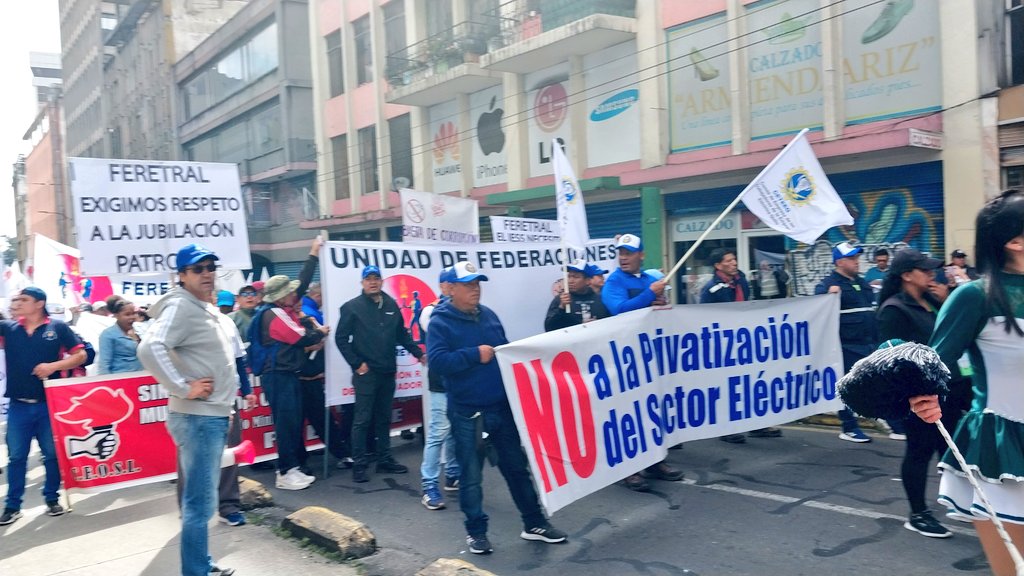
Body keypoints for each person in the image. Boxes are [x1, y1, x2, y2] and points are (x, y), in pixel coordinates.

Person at [910, 190, 1024, 576]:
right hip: (1003, 450)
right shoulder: (974, 297)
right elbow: (930, 366)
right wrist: (922, 397)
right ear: (1015, 241)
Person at [427, 261, 567, 554]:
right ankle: (476, 532)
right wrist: (473, 355)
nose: (475, 289)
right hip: (468, 413)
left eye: (477, 284)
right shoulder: (440, 322)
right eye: (468, 285)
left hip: (500, 408)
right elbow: (438, 363)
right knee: (471, 477)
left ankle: (534, 523)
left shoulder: (488, 315)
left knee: (517, 468)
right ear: (450, 289)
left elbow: (503, 349)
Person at [136, 244, 246, 576]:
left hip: (210, 415)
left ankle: (200, 564)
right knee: (200, 505)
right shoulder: (182, 307)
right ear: (181, 276)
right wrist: (184, 387)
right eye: (198, 269)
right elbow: (150, 347)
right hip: (199, 416)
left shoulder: (202, 307)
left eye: (211, 267)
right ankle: (196, 571)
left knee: (201, 501)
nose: (207, 273)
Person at [876, 248, 968, 539]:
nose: (931, 273)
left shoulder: (930, 300)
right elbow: (892, 359)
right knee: (919, 451)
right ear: (906, 275)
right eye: (924, 269)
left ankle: (958, 502)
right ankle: (918, 513)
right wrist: (917, 396)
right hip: (920, 396)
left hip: (949, 389)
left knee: (951, 448)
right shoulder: (894, 310)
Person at [601, 233, 685, 492]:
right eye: (620, 253)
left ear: (641, 255)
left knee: (652, 410)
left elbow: (660, 309)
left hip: (649, 356)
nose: (623, 257)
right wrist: (650, 295)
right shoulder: (614, 282)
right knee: (627, 412)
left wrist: (660, 301)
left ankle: (655, 461)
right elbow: (621, 311)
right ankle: (629, 469)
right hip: (624, 358)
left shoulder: (651, 279)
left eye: (628, 252)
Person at [0, 287, 87, 526]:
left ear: (39, 303)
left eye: (23, 299)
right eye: (16, 299)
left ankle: (51, 498)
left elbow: (80, 355)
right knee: (16, 457)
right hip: (18, 406)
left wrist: (53, 366)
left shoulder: (57, 328)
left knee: (51, 455)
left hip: (50, 406)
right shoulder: (8, 328)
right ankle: (12, 505)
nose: (17, 302)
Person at [335, 265, 425, 483]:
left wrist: (418, 353)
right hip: (366, 374)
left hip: (387, 371)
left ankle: (385, 459)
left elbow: (401, 335)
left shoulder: (391, 304)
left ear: (382, 281)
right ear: (362, 283)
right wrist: (357, 364)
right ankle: (360, 464)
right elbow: (340, 338)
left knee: (384, 418)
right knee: (362, 419)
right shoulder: (351, 307)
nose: (373, 282)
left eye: (376, 278)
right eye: (368, 279)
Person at [700, 248, 783, 442]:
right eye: (728, 261)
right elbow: (704, 316)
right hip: (723, 344)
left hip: (743, 341)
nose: (734, 263)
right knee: (727, 387)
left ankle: (756, 425)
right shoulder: (711, 289)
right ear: (718, 266)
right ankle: (725, 428)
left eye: (734, 259)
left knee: (751, 383)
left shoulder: (742, 281)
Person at [256, 274, 330, 490]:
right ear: (280, 296)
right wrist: (319, 332)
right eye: (289, 291)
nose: (294, 295)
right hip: (278, 375)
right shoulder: (272, 314)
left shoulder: (275, 312)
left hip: (286, 374)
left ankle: (292, 468)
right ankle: (285, 471)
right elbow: (301, 337)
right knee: (286, 423)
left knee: (293, 422)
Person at [814, 242, 876, 443]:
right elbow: (816, 310)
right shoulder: (828, 284)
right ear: (839, 262)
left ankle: (893, 423)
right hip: (846, 344)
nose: (856, 262)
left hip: (867, 341)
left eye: (857, 258)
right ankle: (849, 426)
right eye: (851, 258)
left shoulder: (861, 282)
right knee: (848, 385)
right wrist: (827, 297)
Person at [419, 267, 460, 510]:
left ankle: (453, 474)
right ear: (444, 286)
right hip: (441, 381)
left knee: (456, 430)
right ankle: (429, 484)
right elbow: (437, 329)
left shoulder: (466, 310)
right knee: (438, 432)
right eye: (452, 284)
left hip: (460, 380)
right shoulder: (431, 310)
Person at [544, 259, 610, 331]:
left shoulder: (601, 300)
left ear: (587, 281)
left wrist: (596, 325)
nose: (570, 281)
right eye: (569, 276)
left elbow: (612, 325)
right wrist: (561, 308)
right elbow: (549, 328)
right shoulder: (560, 300)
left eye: (576, 277)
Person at [97, 298, 143, 374]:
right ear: (116, 315)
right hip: (120, 379)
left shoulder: (140, 330)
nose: (132, 317)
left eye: (134, 313)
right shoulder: (108, 334)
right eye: (127, 314)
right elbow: (104, 364)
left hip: (142, 378)